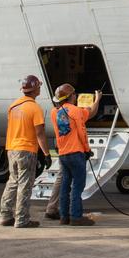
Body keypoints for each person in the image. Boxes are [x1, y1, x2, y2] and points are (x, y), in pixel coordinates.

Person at [0, 74, 50, 228]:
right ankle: (22, 219)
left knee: (12, 182)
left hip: (11, 149)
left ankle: (5, 215)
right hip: (26, 150)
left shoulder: (13, 106)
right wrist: (46, 154)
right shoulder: (35, 108)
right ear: (35, 89)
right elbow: (39, 133)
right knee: (25, 185)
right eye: (39, 86)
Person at [49, 83, 101, 226]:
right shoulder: (76, 111)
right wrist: (97, 99)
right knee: (78, 186)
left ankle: (64, 217)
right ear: (72, 96)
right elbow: (82, 131)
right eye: (74, 94)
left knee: (65, 185)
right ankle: (76, 217)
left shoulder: (55, 112)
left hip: (63, 154)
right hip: (76, 153)